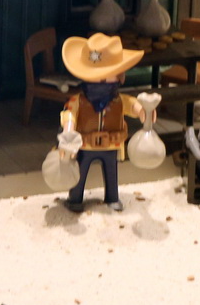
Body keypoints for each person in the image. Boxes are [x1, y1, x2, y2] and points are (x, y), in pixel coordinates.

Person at [57, 33, 146, 213]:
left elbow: (132, 105)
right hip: (84, 145)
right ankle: (75, 198)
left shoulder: (118, 100)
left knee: (111, 172)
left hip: (111, 144)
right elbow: (69, 114)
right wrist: (68, 130)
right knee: (80, 172)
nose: (99, 82)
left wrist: (143, 111)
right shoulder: (78, 100)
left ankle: (112, 197)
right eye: (93, 76)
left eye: (105, 78)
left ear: (119, 76)